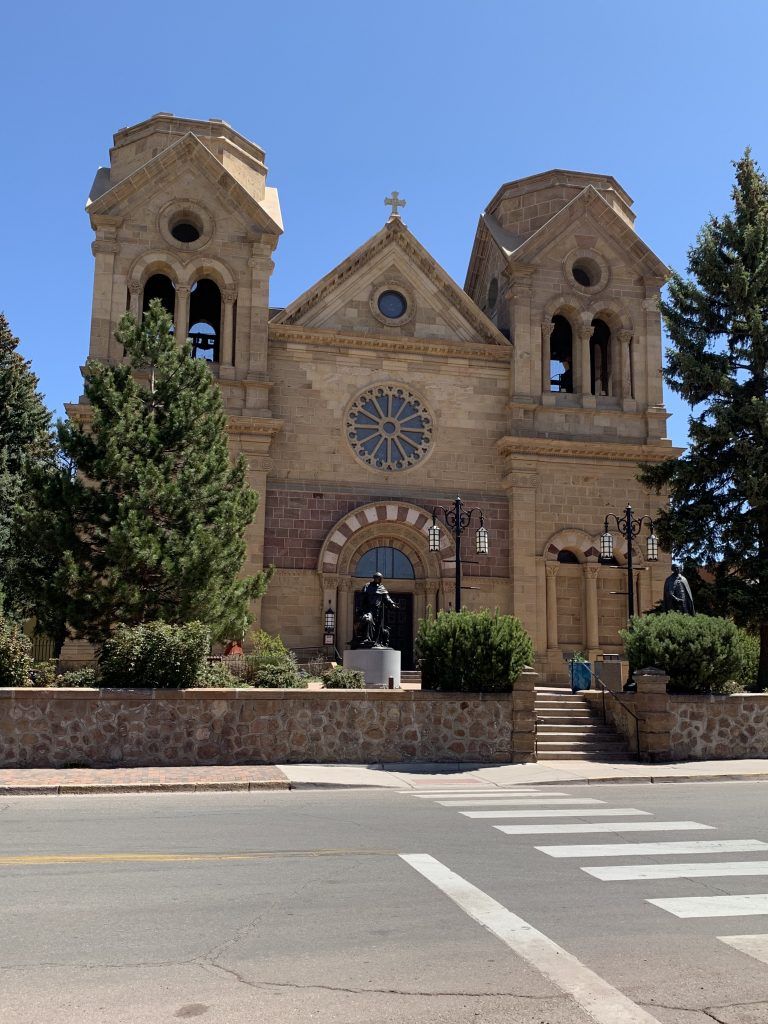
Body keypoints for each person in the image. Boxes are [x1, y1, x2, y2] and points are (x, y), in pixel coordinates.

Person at [351, 572, 398, 649]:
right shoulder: (367, 586)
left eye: (381, 579)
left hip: (378, 611)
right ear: (375, 578)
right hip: (368, 609)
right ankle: (366, 638)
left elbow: (387, 598)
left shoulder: (382, 587)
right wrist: (359, 608)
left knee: (378, 627)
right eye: (379, 579)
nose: (380, 580)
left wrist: (392, 604)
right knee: (368, 620)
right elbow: (362, 598)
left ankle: (376, 642)